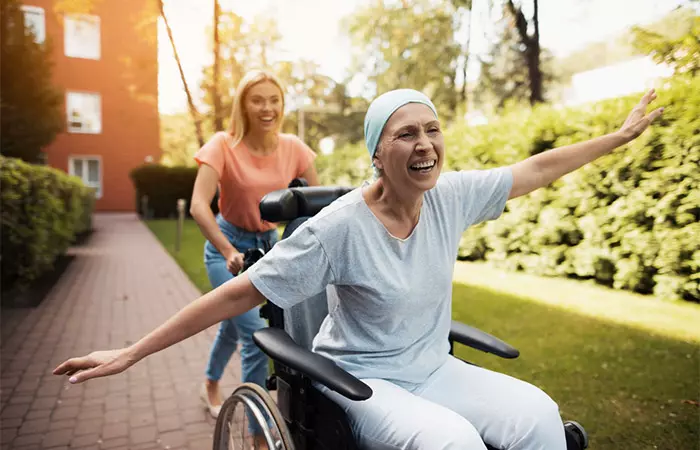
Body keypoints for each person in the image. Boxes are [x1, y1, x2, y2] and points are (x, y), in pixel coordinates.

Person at [54, 86, 663, 449]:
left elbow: (533, 170)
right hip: (362, 382)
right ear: (377, 153)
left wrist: (617, 137)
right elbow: (238, 295)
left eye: (431, 130)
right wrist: (132, 352)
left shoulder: (448, 195)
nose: (423, 144)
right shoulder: (338, 227)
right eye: (405, 135)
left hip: (433, 368)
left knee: (535, 414)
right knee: (448, 442)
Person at [189, 69, 318, 423]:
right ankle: (258, 431)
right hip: (226, 250)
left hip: (269, 249)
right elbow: (199, 206)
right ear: (244, 105)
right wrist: (228, 250)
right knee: (257, 337)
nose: (267, 108)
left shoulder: (293, 148)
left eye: (274, 100)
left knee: (234, 326)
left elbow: (317, 208)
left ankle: (210, 384)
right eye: (257, 100)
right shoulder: (222, 145)